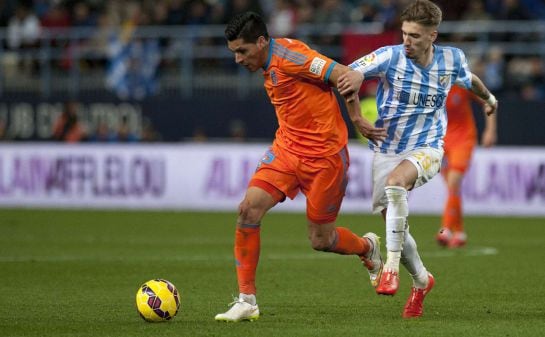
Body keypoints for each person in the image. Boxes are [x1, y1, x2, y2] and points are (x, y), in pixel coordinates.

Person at [215, 11, 388, 323]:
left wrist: (358, 119)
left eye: (242, 51)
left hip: (325, 158)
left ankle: (367, 247)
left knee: (321, 240)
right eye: (234, 52)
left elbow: (343, 75)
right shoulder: (268, 64)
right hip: (287, 150)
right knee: (248, 210)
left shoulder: (293, 56)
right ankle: (246, 300)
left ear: (262, 41)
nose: (238, 59)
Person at [337, 0, 498, 318]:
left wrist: (490, 99)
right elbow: (346, 76)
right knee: (390, 217)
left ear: (432, 35)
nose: (407, 40)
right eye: (404, 33)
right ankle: (422, 281)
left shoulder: (452, 59)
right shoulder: (388, 56)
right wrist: (356, 116)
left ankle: (391, 268)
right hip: (388, 148)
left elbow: (469, 80)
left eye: (414, 35)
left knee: (397, 185)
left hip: (428, 147)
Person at [436, 85, 497, 248]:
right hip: (441, 141)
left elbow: (488, 100)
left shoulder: (463, 82)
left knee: (453, 182)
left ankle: (446, 229)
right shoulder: (431, 81)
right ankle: (460, 233)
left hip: (464, 139)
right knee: (451, 188)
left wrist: (490, 130)